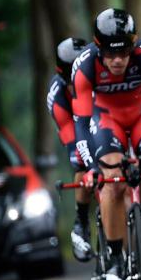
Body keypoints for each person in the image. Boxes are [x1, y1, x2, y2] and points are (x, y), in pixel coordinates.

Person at [71, 8, 141, 280]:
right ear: (97, 46)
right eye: (110, 53)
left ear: (134, 45)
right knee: (113, 182)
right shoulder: (83, 65)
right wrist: (91, 165)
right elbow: (81, 122)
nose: (118, 60)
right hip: (107, 119)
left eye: (124, 52)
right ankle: (116, 260)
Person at [47, 37, 93, 262]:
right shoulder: (57, 95)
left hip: (103, 120)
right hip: (73, 125)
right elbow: (71, 137)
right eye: (71, 80)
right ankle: (82, 222)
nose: (77, 85)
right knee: (82, 166)